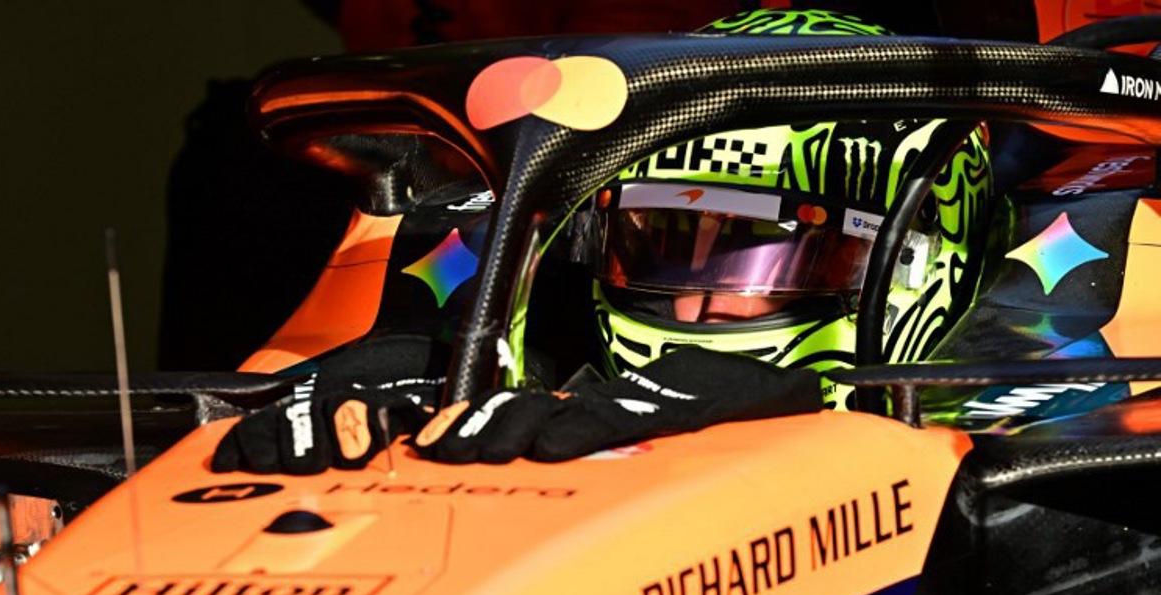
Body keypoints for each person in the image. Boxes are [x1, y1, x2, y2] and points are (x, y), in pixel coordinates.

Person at [210, 8, 995, 474]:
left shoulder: (1034, 455)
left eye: (757, 252)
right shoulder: (536, 392)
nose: (692, 306)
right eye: (666, 241)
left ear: (911, 260)